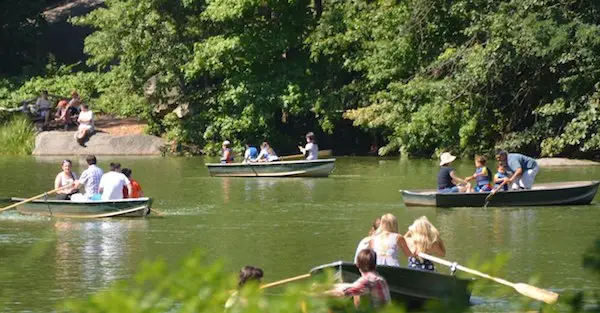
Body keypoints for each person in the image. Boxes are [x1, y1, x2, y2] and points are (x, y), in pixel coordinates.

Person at [326, 249, 391, 310]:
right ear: (375, 264)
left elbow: (342, 293)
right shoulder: (379, 278)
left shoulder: (367, 280)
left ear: (357, 264)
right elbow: (350, 286)